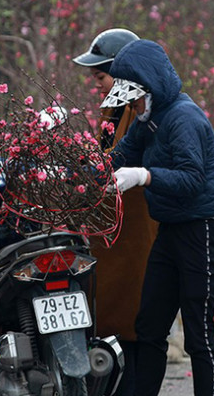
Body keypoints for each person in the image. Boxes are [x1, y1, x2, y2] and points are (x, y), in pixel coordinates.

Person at [101, 39, 214, 396]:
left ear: (151, 87)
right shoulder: (148, 117)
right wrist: (81, 170)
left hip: (202, 229)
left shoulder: (183, 118)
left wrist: (144, 176)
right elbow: (121, 154)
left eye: (136, 97)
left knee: (198, 335)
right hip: (171, 228)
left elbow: (192, 178)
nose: (133, 105)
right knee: (150, 325)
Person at [72, 29, 158, 396]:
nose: (98, 85)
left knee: (134, 321)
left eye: (101, 76)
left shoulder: (141, 113)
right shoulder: (115, 109)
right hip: (110, 232)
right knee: (111, 317)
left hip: (133, 233)